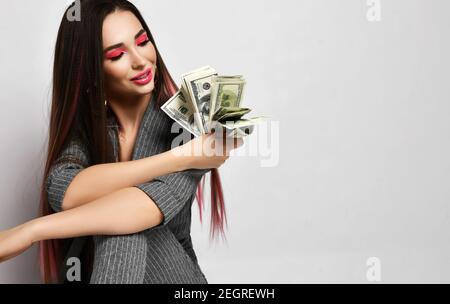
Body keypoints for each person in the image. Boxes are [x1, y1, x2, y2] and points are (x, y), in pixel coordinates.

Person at [0, 0, 242, 283]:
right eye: (117, 55)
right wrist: (184, 157)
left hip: (174, 276)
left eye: (142, 41)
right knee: (118, 221)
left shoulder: (189, 124)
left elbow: (144, 209)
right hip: (99, 273)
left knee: (126, 225)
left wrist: (31, 231)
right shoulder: (92, 129)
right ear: (91, 70)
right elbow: (65, 192)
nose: (140, 60)